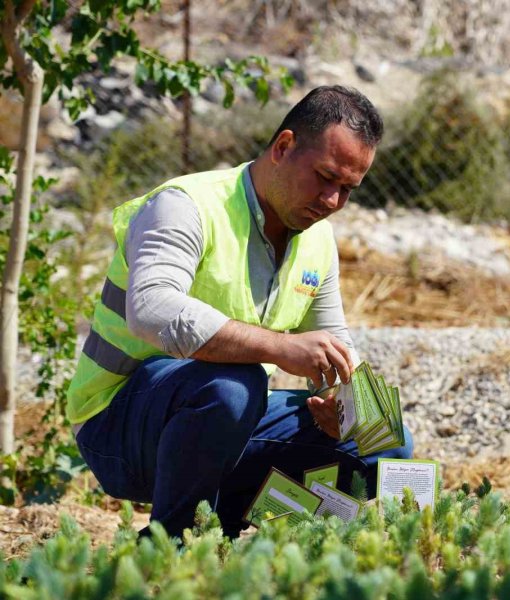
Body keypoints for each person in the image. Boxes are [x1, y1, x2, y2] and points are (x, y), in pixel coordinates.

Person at [66, 85, 413, 537]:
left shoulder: (316, 240)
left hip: (223, 423)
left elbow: (335, 343)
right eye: (325, 177)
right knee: (235, 386)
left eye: (347, 188)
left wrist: (340, 402)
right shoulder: (186, 204)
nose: (332, 201)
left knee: (385, 440)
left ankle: (249, 531)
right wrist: (282, 348)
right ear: (283, 147)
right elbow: (151, 308)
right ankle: (171, 544)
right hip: (119, 425)